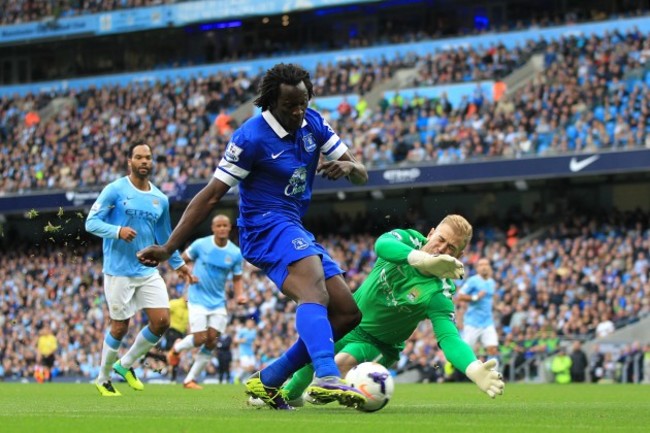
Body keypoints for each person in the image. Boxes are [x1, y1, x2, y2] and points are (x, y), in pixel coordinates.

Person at [137, 63, 376, 410]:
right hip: (263, 226)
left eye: (303, 103)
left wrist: (350, 167)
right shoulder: (250, 137)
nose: (297, 112)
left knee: (347, 313)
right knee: (313, 288)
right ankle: (326, 375)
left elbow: (362, 175)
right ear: (269, 104)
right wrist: (169, 247)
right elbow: (211, 195)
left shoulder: (315, 123)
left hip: (292, 224)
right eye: (289, 106)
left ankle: (267, 381)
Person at [271, 215, 503, 406]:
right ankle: (282, 394)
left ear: (459, 257)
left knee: (339, 363)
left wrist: (473, 368)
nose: (441, 248)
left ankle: (334, 389)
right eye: (441, 239)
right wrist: (420, 259)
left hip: (378, 344)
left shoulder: (439, 293)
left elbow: (448, 337)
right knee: (302, 373)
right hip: (346, 324)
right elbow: (382, 244)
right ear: (431, 233)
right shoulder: (407, 240)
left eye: (451, 248)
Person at [86, 140, 195, 397]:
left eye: (148, 157)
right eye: (139, 157)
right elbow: (91, 222)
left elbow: (166, 237)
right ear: (130, 161)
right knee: (120, 327)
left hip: (146, 271)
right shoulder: (114, 190)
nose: (144, 161)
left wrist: (179, 265)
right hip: (118, 271)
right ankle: (103, 379)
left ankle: (124, 365)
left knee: (162, 322)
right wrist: (117, 231)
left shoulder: (160, 199)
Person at [167, 214, 247, 389]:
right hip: (197, 299)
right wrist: (187, 275)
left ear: (229, 228)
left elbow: (238, 278)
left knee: (212, 340)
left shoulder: (234, 253)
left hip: (218, 302)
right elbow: (181, 260)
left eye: (225, 225)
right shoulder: (201, 244)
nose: (222, 229)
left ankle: (190, 379)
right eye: (218, 226)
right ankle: (177, 348)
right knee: (200, 338)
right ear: (213, 228)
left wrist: (240, 295)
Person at [457, 257, 499, 359]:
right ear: (477, 268)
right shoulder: (473, 281)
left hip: (487, 322)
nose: (484, 267)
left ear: (489, 267)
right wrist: (476, 297)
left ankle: (493, 373)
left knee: (493, 349)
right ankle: (466, 373)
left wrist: (498, 307)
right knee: (467, 352)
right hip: (473, 323)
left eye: (486, 264)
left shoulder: (492, 282)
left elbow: (489, 301)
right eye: (481, 265)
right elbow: (460, 295)